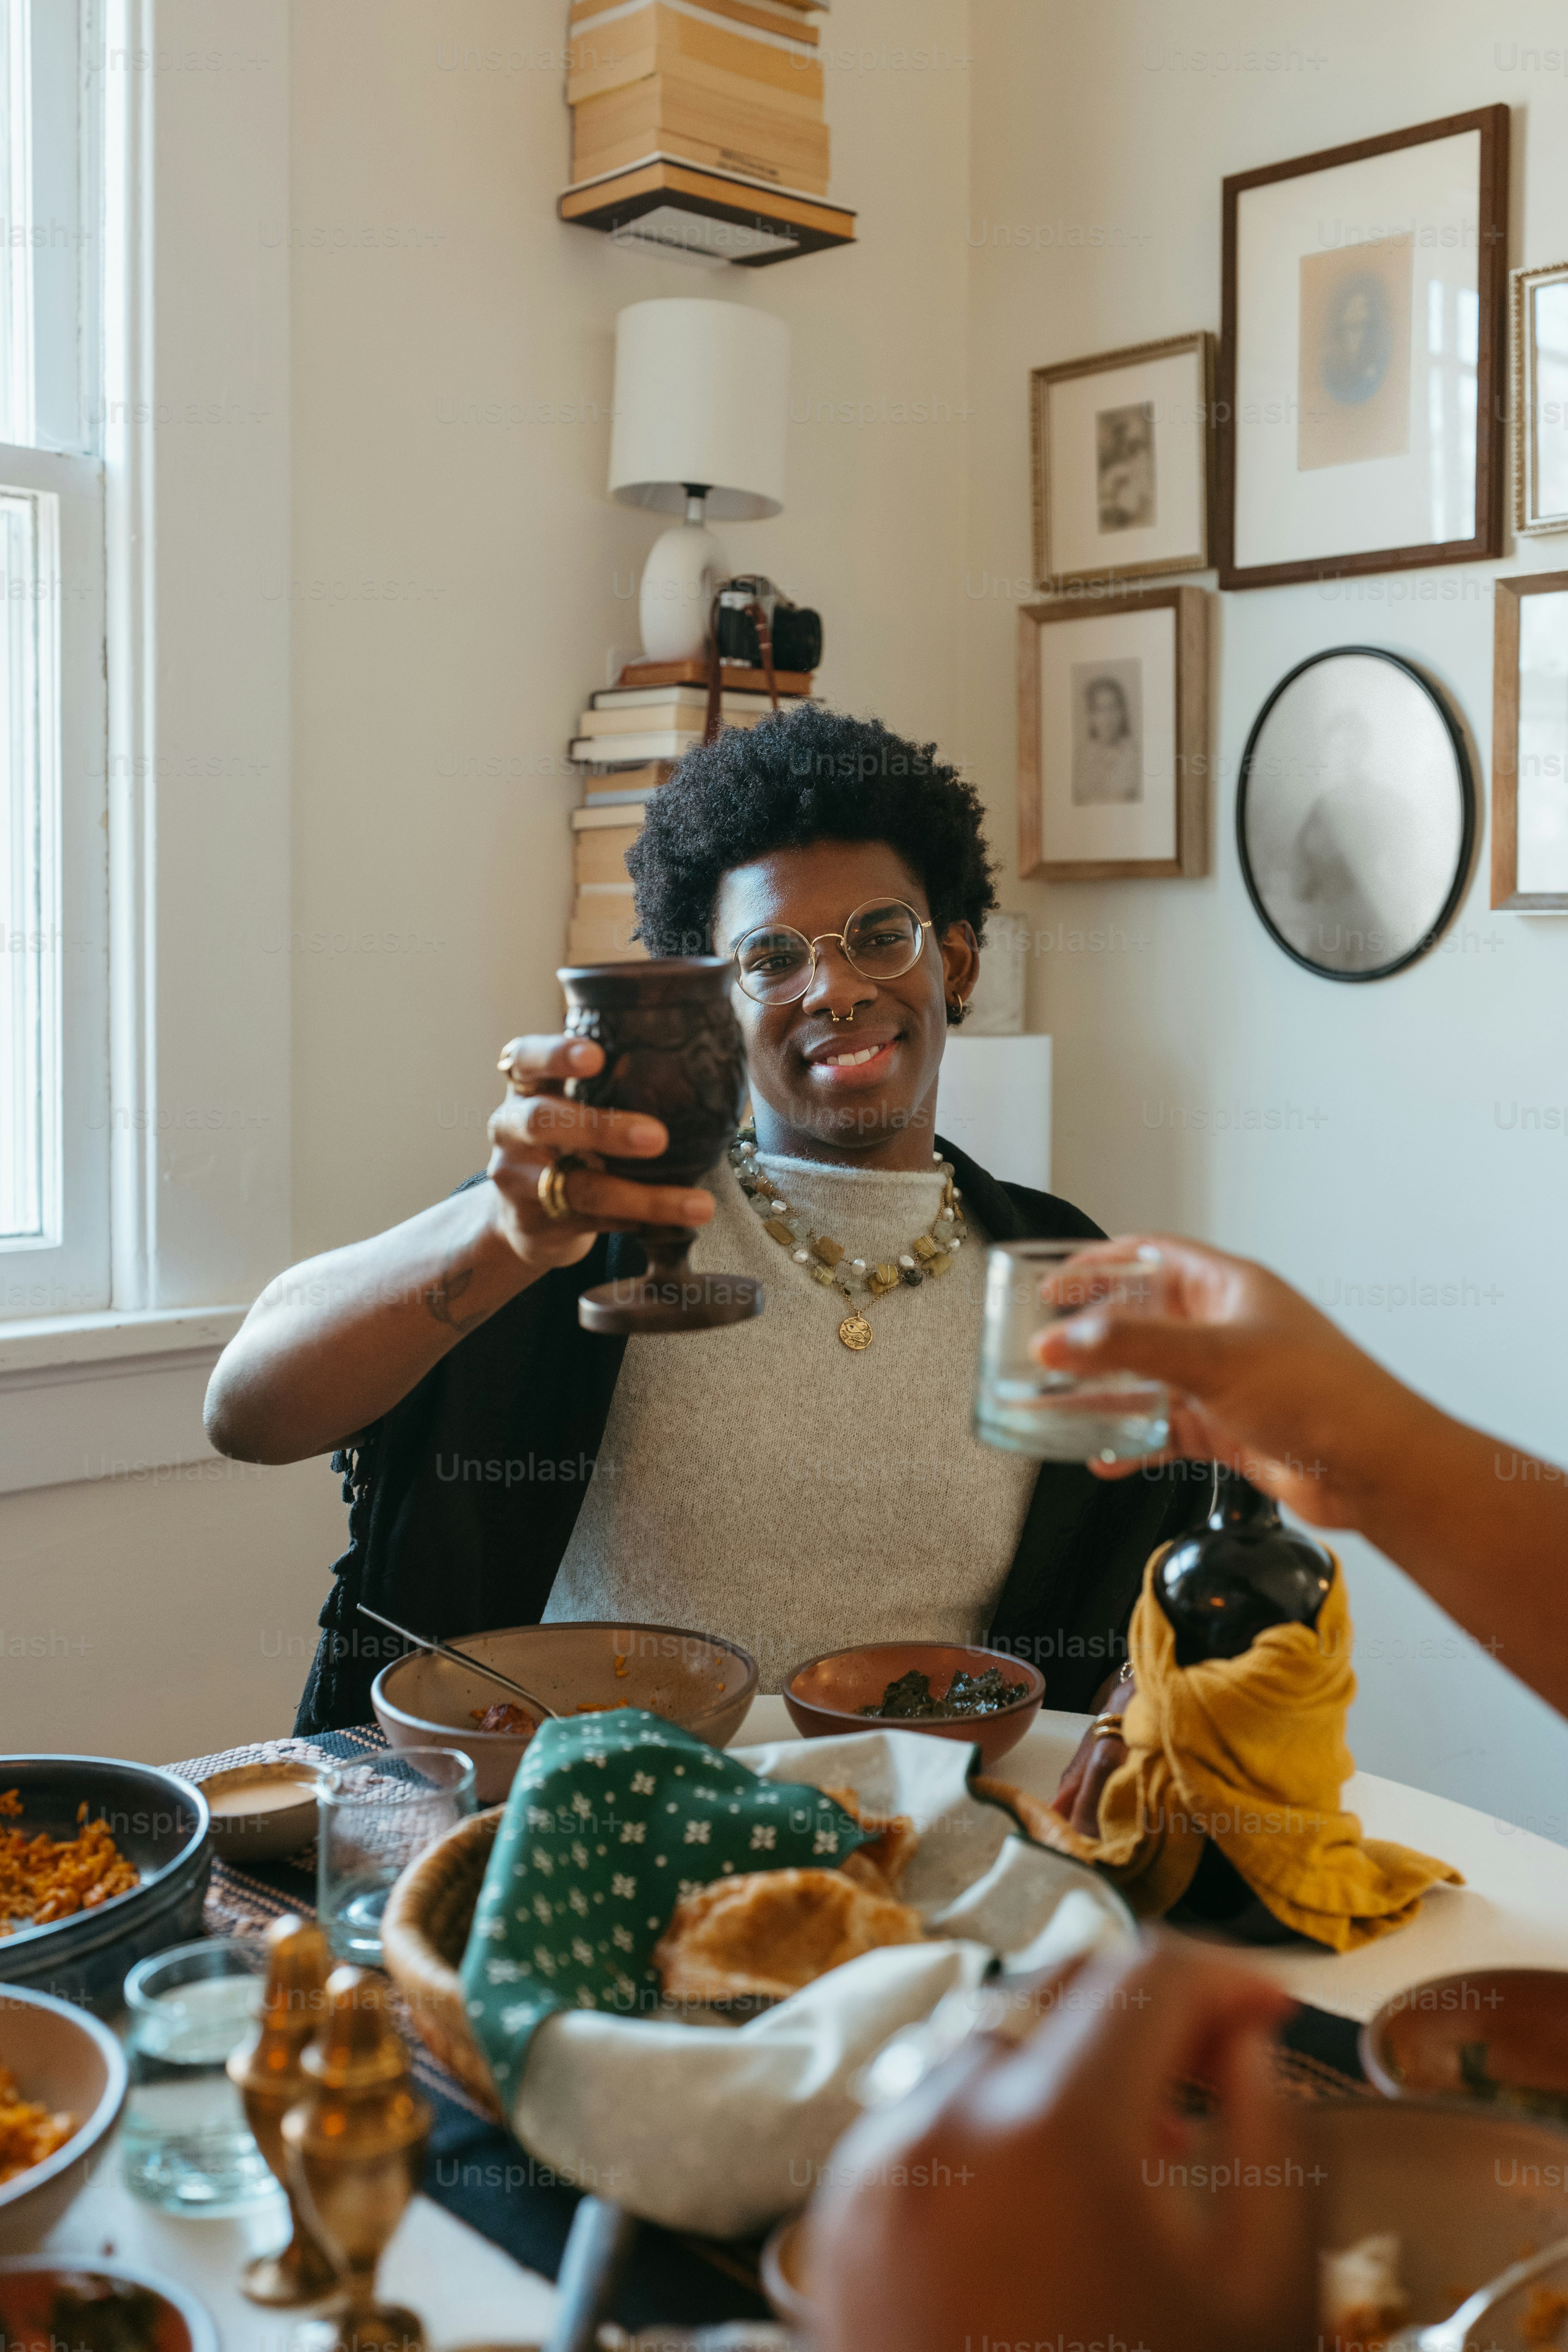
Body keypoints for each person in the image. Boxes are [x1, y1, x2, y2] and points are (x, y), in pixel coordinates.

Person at [205, 708, 1201, 1732]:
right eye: (771, 959)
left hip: (925, 1844)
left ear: (956, 963)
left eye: (880, 937)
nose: (838, 989)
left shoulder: (1063, 1273)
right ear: (708, 1003)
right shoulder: (598, 1215)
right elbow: (247, 1410)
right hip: (592, 1836)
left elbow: (1127, 1632)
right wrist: (497, 1235)